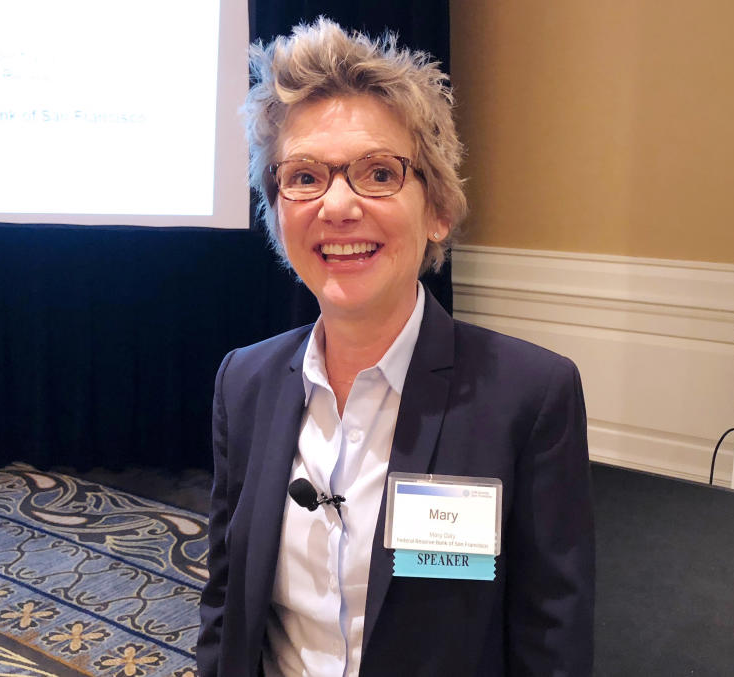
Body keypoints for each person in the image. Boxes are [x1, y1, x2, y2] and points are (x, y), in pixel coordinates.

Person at [197, 17, 594, 677]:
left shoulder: (530, 397)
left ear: (437, 207)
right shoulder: (245, 381)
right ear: (277, 211)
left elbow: (552, 642)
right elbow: (225, 603)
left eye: (378, 173)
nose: (338, 205)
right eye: (303, 177)